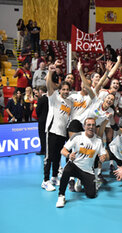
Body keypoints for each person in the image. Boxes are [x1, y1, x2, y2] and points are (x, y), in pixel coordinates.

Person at [56, 118, 107, 208]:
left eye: (93, 125)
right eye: (88, 125)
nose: (91, 127)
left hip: (87, 170)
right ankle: (61, 196)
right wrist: (69, 155)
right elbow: (62, 150)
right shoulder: (77, 136)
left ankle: (80, 181)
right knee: (66, 170)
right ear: (84, 127)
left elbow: (103, 155)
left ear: (95, 127)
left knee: (92, 195)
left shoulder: (98, 140)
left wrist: (103, 158)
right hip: (75, 166)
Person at [41, 60, 72, 192]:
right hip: (52, 131)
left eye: (67, 90)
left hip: (62, 133)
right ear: (59, 90)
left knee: (58, 157)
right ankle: (45, 180)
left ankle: (54, 177)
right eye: (63, 89)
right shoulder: (54, 97)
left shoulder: (70, 102)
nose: (65, 91)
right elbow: (48, 84)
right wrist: (51, 71)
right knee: (49, 157)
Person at [35, 86, 48, 155]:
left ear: (41, 91)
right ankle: (47, 150)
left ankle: (43, 150)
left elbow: (37, 110)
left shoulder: (41, 99)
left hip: (42, 120)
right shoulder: (49, 98)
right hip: (48, 120)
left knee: (42, 135)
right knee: (47, 136)